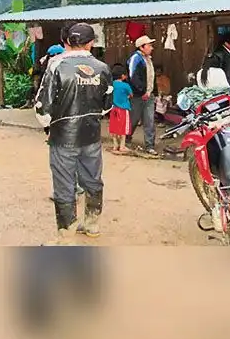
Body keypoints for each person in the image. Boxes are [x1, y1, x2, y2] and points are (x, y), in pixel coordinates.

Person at [35, 23, 112, 243]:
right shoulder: (102, 67)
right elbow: (107, 106)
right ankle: (92, 224)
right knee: (93, 180)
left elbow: (42, 107)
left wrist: (49, 125)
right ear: (91, 43)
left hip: (63, 138)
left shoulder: (56, 65)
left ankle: (66, 235)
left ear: (68, 41)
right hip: (92, 135)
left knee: (64, 185)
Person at [125, 35, 158, 155]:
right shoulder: (135, 58)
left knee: (150, 121)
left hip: (148, 95)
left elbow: (152, 77)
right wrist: (142, 91)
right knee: (133, 119)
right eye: (149, 45)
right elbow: (133, 77)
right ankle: (126, 139)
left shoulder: (148, 59)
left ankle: (150, 145)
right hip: (138, 96)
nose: (151, 48)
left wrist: (153, 92)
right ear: (142, 47)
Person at [108, 64, 133, 155]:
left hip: (113, 109)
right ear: (122, 76)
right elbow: (131, 95)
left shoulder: (111, 84)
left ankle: (115, 145)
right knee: (123, 129)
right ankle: (122, 146)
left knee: (114, 127)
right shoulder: (126, 85)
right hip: (123, 109)